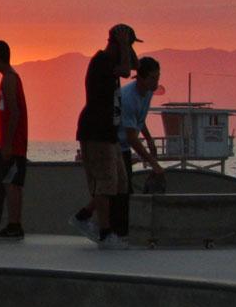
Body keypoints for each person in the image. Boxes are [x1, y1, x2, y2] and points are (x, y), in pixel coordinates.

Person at [71, 24, 141, 248]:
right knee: (105, 183)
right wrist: (121, 44)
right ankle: (105, 232)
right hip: (96, 130)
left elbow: (135, 66)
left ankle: (83, 216)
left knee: (120, 183)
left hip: (108, 132)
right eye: (126, 45)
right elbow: (126, 71)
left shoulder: (115, 60)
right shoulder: (102, 61)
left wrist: (126, 45)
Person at [0, 40, 28, 239]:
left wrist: (8, 143)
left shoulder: (9, 79)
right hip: (12, 144)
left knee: (12, 184)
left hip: (14, 145)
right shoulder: (9, 78)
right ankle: (13, 223)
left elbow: (15, 112)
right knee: (11, 183)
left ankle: (14, 224)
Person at [118, 57, 168, 231]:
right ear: (141, 78)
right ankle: (116, 228)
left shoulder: (147, 92)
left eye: (158, 77)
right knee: (120, 189)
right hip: (114, 146)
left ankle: (122, 228)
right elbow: (132, 137)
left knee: (124, 188)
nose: (156, 82)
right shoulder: (128, 98)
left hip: (124, 146)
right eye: (153, 78)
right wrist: (153, 163)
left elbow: (139, 119)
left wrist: (149, 139)